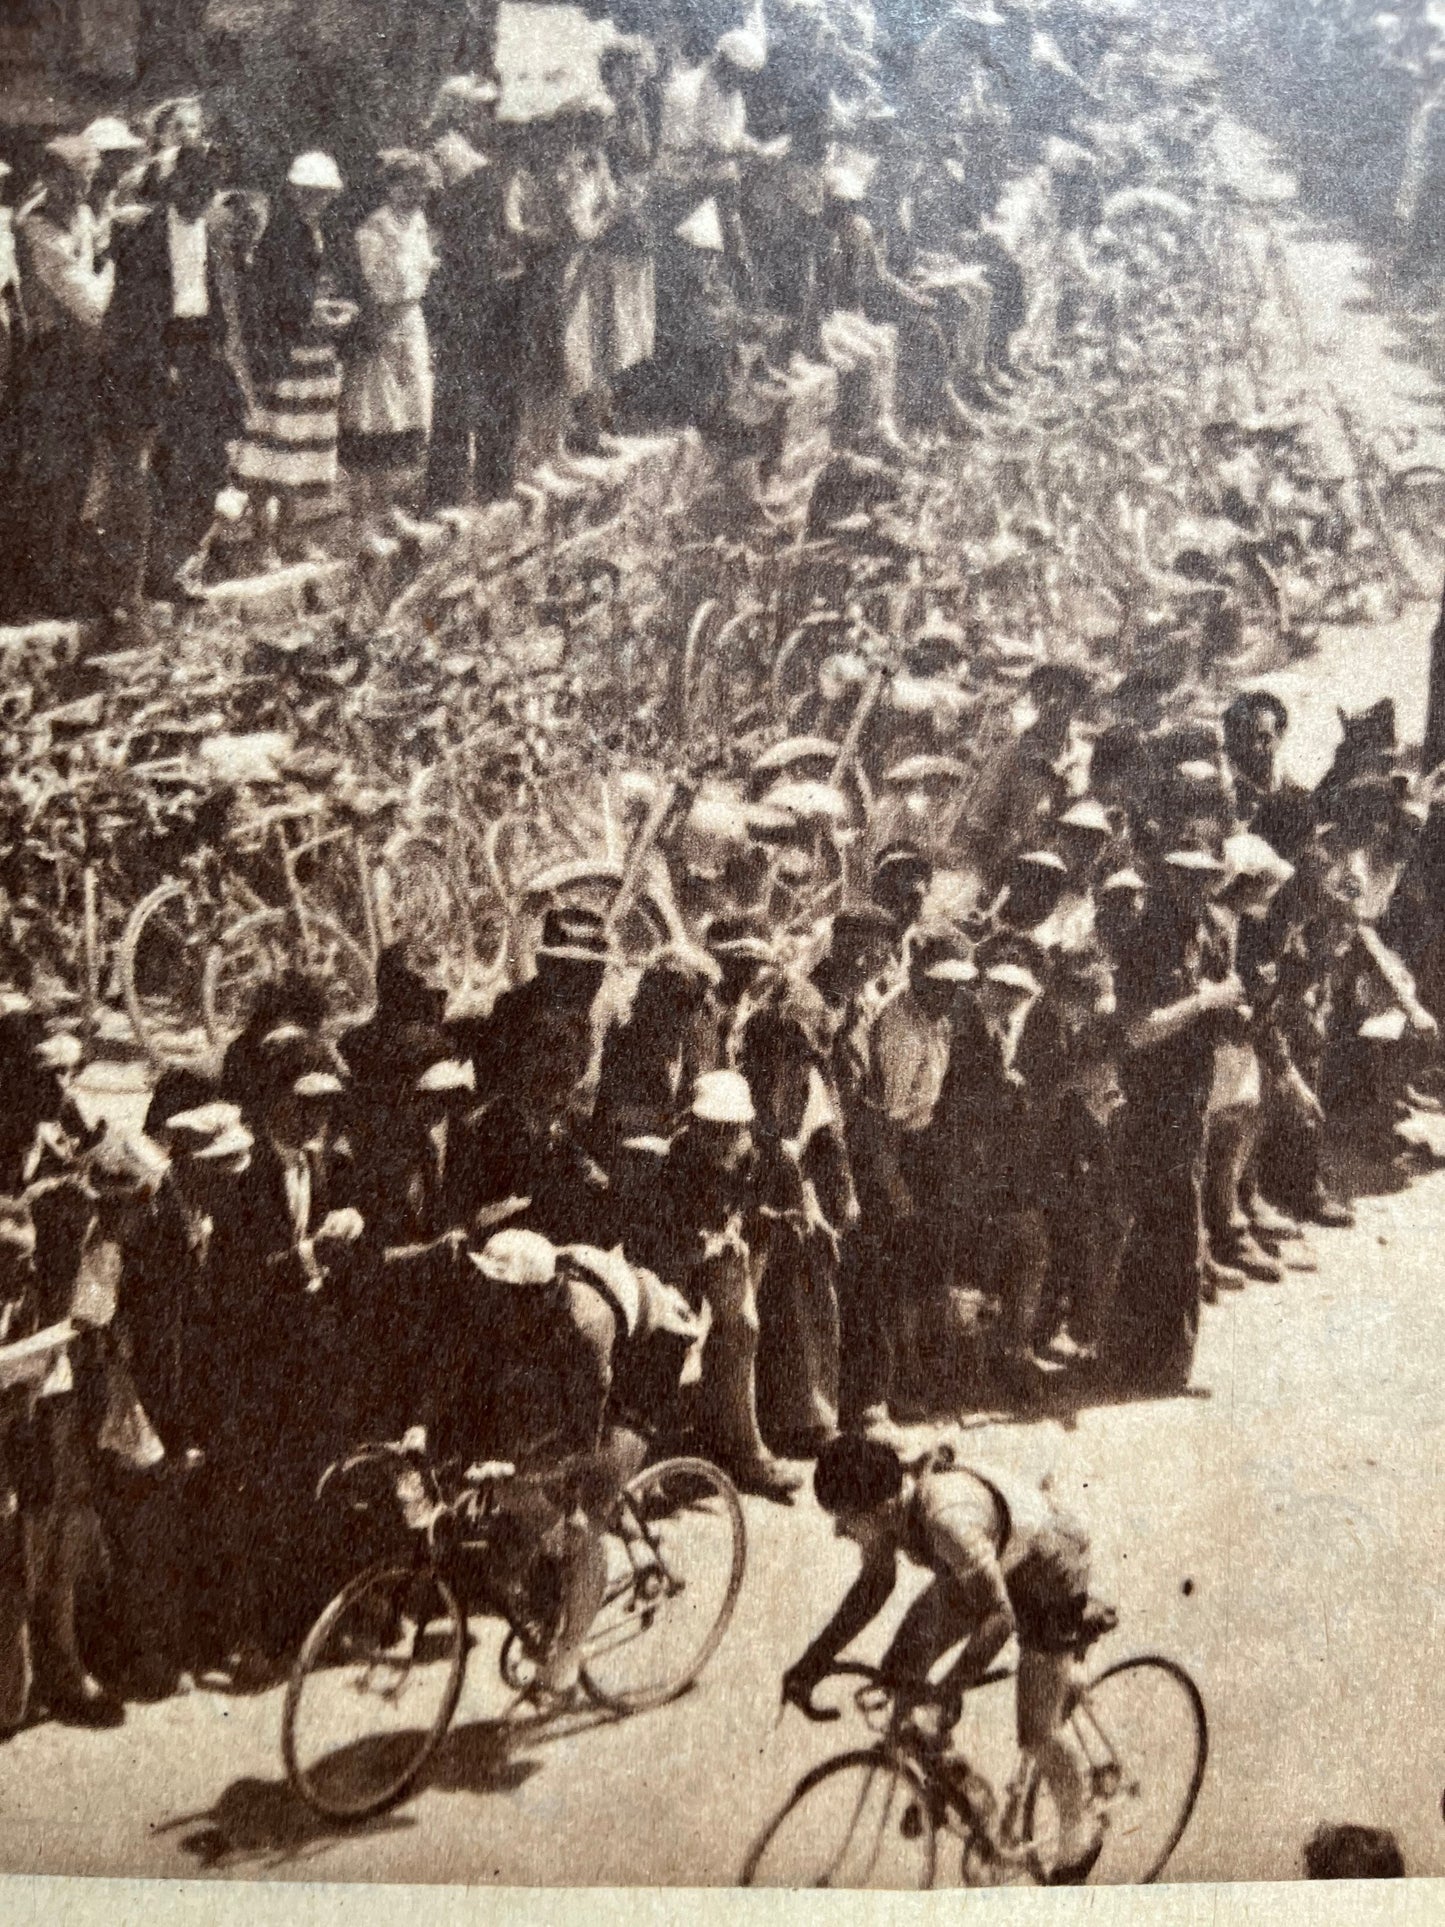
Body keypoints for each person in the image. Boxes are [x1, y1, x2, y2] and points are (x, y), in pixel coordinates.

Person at [782, 1435, 1107, 1885]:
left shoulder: (946, 1520)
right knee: (900, 1668)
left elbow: (999, 1618)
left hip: (1048, 1567)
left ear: (880, 1511)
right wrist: (811, 1663)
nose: (838, 1531)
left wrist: (947, 1693)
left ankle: (1081, 1833)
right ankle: (960, 1786)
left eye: (844, 1520)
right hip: (987, 1562)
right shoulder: (890, 1505)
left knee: (1038, 1732)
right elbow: (873, 1587)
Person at [93, 141, 245, 621]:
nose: (198, 196)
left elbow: (226, 303)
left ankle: (175, 567)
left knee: (203, 463)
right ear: (174, 182)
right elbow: (128, 308)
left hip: (201, 351)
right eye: (192, 184)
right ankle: (125, 586)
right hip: (152, 355)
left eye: (208, 188)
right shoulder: (140, 230)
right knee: (142, 471)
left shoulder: (216, 232)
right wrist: (156, 362)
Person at [9, 136, 113, 616]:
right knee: (51, 471)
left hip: (83, 360)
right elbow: (89, 303)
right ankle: (41, 582)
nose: (79, 191)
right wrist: (116, 265)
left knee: (79, 469)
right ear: (49, 179)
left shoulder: (86, 217)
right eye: (70, 181)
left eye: (87, 181)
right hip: (52, 360)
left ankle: (65, 573)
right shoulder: (36, 227)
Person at [232, 151, 351, 557]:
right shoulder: (282, 232)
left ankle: (292, 535)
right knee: (276, 445)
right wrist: (311, 310)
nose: (315, 199)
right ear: (294, 191)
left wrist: (330, 308)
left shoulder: (318, 230)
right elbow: (273, 294)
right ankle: (264, 541)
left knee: (305, 447)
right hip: (288, 350)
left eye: (322, 193)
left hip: (317, 347)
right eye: (307, 192)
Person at [340, 149, 441, 519]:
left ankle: (388, 507)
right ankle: (361, 515)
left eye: (423, 191)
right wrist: (379, 328)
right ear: (391, 187)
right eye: (408, 189)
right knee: (373, 418)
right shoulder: (374, 230)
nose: (416, 197)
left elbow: (422, 274)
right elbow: (372, 287)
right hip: (379, 327)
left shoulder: (418, 224)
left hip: (411, 323)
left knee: (405, 416)